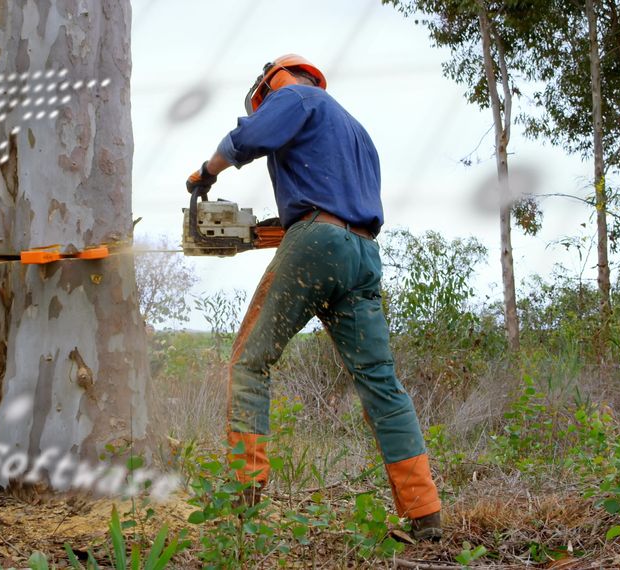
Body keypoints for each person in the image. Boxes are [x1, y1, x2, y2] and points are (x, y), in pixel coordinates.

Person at [184, 54, 442, 541]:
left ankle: (243, 502)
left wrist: (206, 173)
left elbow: (247, 139)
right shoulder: (357, 132)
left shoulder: (296, 96)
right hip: (363, 254)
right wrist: (272, 230)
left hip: (318, 244)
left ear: (271, 85)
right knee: (381, 384)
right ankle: (425, 513)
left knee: (249, 361)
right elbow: (335, 203)